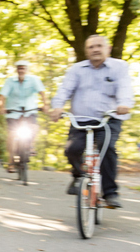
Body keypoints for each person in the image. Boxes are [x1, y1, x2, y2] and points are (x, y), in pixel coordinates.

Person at [50, 35, 133, 209]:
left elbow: (125, 88)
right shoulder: (76, 69)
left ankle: (110, 193)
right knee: (72, 149)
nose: (95, 49)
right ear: (86, 50)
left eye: (99, 46)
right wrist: (57, 107)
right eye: (91, 47)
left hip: (108, 119)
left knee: (106, 147)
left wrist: (124, 104)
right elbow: (65, 89)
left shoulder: (119, 67)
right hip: (81, 119)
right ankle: (79, 175)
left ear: (108, 48)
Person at [0, 60, 48, 172]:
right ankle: (11, 161)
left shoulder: (34, 80)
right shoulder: (10, 81)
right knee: (11, 134)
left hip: (29, 110)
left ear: (27, 69)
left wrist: (45, 105)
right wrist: (1, 107)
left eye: (23, 68)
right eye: (19, 68)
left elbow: (42, 93)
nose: (21, 70)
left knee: (34, 127)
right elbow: (2, 96)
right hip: (13, 111)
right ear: (16, 70)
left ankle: (31, 146)